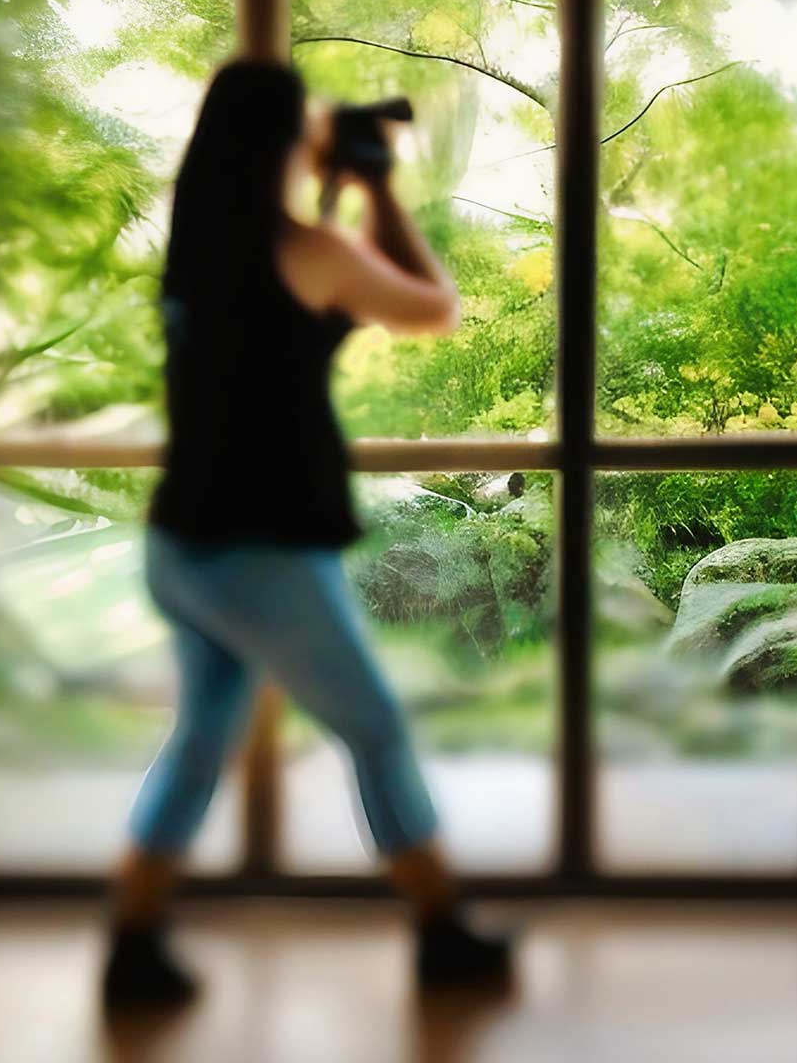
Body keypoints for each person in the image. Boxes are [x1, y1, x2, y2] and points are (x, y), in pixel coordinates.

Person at [102, 59, 512, 1008]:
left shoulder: (196, 245)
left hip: (182, 546)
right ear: (285, 143)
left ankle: (131, 945)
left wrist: (335, 179)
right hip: (260, 555)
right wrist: (374, 186)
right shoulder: (309, 249)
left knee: (202, 740)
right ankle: (445, 933)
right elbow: (433, 306)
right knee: (376, 728)